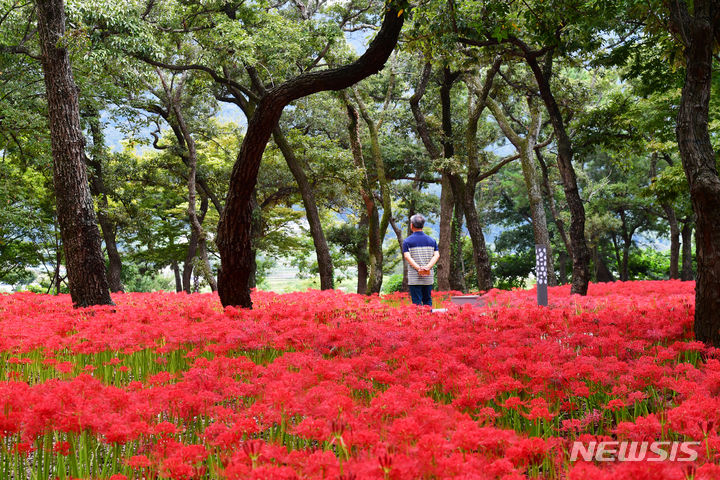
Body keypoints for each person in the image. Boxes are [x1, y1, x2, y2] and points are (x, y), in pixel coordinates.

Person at [402, 214, 440, 306]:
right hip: (428, 277)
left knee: (416, 303)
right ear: (423, 225)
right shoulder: (432, 241)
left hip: (414, 278)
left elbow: (407, 256)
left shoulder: (407, 241)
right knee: (428, 300)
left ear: (411, 225)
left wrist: (419, 268)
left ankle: (419, 320)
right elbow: (437, 255)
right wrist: (427, 267)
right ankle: (429, 319)